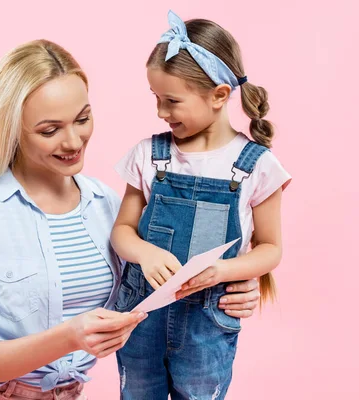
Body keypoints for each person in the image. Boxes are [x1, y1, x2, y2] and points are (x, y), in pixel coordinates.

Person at [0, 38, 261, 400]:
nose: (74, 141)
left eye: (83, 119)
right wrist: (69, 337)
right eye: (49, 130)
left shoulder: (105, 206)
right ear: (12, 129)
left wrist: (233, 287)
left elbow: (158, 284)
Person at [111, 11, 291, 400]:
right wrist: (143, 253)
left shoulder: (257, 167)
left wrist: (222, 269)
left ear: (219, 96)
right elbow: (122, 230)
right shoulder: (148, 155)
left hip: (208, 319)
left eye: (171, 101)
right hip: (142, 311)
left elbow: (271, 249)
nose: (161, 112)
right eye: (156, 99)